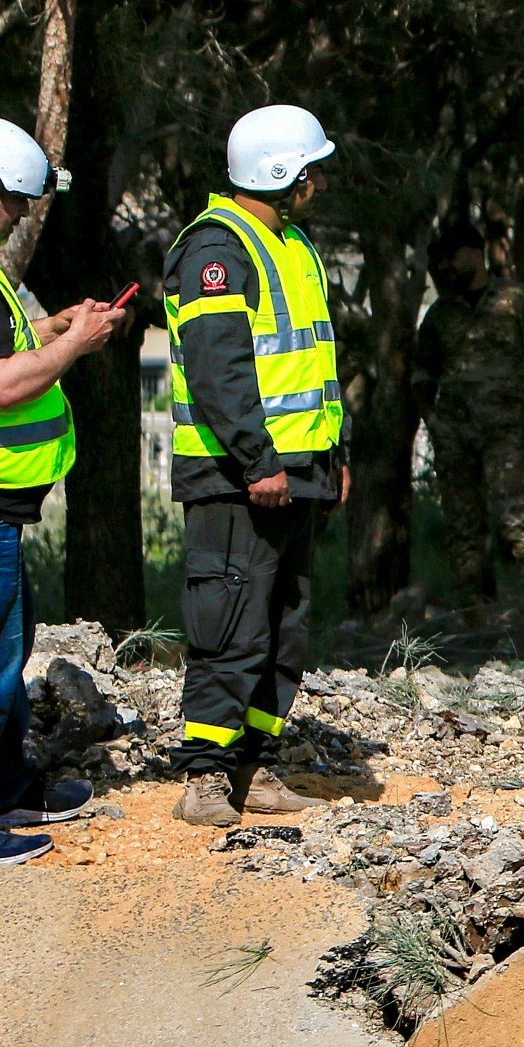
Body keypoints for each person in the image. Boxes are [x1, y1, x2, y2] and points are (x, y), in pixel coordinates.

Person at [165, 104, 348, 826]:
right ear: (283, 173)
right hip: (239, 476)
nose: (319, 181)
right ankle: (204, 777)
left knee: (283, 625)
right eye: (311, 170)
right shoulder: (217, 247)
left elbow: (316, 364)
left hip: (298, 468)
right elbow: (220, 371)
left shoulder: (293, 244)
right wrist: (258, 460)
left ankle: (254, 766)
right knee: (230, 622)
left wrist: (333, 457)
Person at [0, 117, 123, 863]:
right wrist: (74, 346)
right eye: (19, 201)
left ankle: (8, 786)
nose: (25, 216)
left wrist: (54, 327)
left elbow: (1, 345)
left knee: (8, 646)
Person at [413, 218, 524, 612]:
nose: (446, 267)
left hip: (506, 433)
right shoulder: (441, 314)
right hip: (455, 436)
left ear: (476, 255)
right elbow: (422, 372)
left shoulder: (518, 301)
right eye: (441, 261)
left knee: (515, 519)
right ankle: (471, 615)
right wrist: (433, 420)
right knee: (462, 527)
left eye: (453, 258)